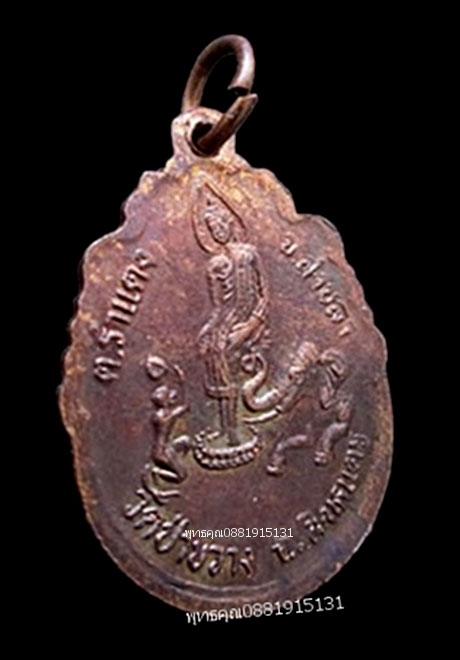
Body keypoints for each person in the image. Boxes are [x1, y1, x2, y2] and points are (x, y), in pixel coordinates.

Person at [197, 198, 268, 446]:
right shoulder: (215, 264)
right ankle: (223, 427)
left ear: (229, 222)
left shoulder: (249, 254)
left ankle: (234, 429)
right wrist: (208, 331)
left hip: (249, 323)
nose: (217, 231)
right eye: (212, 228)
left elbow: (265, 295)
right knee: (212, 354)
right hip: (225, 323)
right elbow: (218, 307)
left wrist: (251, 326)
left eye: (220, 224)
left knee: (230, 367)